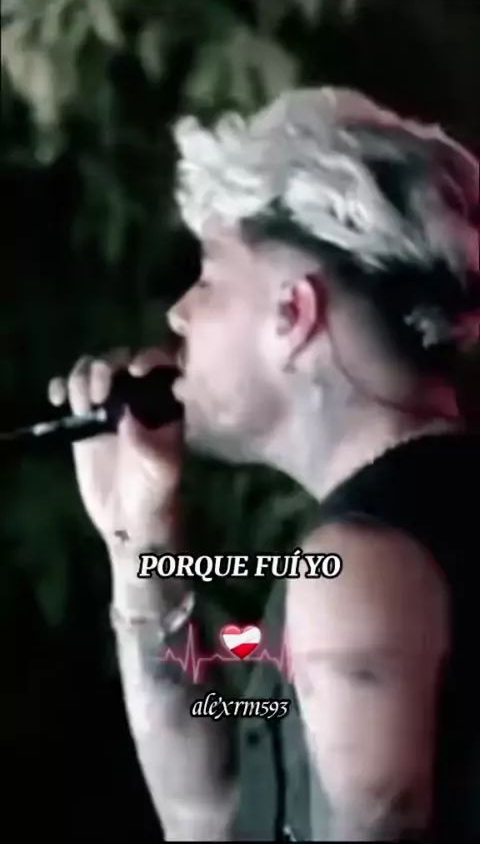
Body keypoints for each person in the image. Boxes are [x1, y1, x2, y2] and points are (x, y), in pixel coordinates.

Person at [48, 88, 479, 841]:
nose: (180, 313)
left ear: (293, 315)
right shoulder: (380, 546)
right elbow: (210, 816)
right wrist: (139, 542)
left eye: (211, 278)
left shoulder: (356, 567)